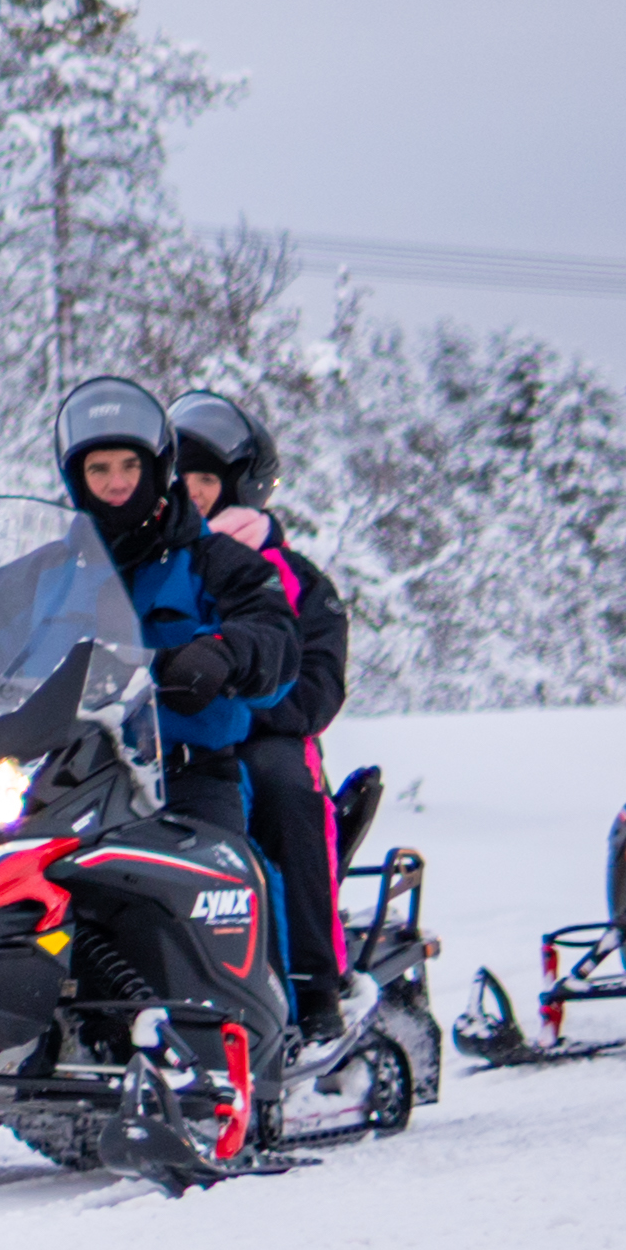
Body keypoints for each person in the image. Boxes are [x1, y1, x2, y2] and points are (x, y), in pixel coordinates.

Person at [56, 378, 304, 1074]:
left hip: (185, 770)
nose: (113, 483)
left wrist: (224, 653)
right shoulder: (55, 565)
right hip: (74, 776)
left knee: (231, 883)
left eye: (128, 466)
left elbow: (273, 631)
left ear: (155, 467)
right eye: (98, 469)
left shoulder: (213, 558)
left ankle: (269, 1039)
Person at [171, 388, 352, 1029]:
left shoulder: (294, 576)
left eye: (204, 479)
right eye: (179, 479)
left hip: (260, 732)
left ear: (241, 485)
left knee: (279, 786)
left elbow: (318, 688)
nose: (190, 492)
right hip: (164, 736)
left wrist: (232, 699)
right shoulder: (156, 568)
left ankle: (313, 984)